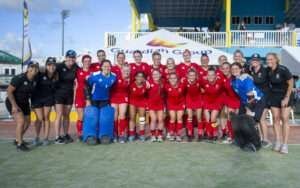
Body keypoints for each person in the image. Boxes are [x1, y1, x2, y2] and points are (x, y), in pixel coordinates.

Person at [231, 62, 265, 152]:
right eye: (233, 69)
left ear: (241, 69)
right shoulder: (234, 82)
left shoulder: (246, 78)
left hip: (256, 101)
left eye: (236, 69)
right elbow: (241, 95)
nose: (234, 70)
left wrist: (248, 108)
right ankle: (244, 141)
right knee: (240, 121)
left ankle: (256, 144)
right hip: (245, 102)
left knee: (250, 120)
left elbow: (251, 96)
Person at [6, 61, 39, 151]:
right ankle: (20, 145)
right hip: (13, 101)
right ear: (27, 68)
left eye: (36, 67)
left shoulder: (35, 80)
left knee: (28, 122)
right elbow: (9, 91)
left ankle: (17, 139)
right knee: (21, 121)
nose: (34, 69)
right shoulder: (19, 78)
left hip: (24, 103)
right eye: (32, 67)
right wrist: (14, 106)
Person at [266, 53, 293, 154]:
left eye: (271, 59)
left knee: (284, 119)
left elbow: (291, 83)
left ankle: (285, 144)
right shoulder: (268, 70)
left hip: (285, 95)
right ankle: (278, 141)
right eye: (267, 59)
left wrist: (286, 98)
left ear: (276, 60)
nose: (269, 61)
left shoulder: (283, 69)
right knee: (276, 119)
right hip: (274, 96)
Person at [84, 60, 117, 144]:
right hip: (94, 99)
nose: (107, 68)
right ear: (101, 67)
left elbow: (112, 88)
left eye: (108, 66)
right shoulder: (94, 75)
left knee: (104, 118)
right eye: (105, 66)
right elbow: (86, 86)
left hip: (105, 100)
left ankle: (104, 135)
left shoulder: (114, 77)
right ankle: (90, 136)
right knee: (92, 117)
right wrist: (88, 99)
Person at [54, 50, 79, 144]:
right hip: (59, 94)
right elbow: (49, 73)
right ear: (66, 57)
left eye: (73, 57)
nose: (71, 59)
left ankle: (65, 134)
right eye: (69, 57)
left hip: (69, 94)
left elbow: (82, 75)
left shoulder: (75, 67)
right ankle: (57, 137)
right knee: (59, 115)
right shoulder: (59, 66)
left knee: (66, 115)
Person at [31, 57, 57, 146]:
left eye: (53, 65)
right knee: (39, 118)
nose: (51, 67)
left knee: (46, 117)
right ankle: (36, 137)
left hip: (48, 98)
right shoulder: (40, 73)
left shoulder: (56, 75)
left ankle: (46, 138)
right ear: (46, 66)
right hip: (37, 98)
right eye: (49, 65)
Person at [249, 53, 272, 148]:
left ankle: (266, 140)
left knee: (261, 118)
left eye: (256, 60)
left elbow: (261, 81)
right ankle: (260, 139)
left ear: (260, 61)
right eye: (253, 60)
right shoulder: (251, 70)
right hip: (256, 99)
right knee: (257, 119)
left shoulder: (265, 70)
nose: (255, 61)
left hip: (265, 97)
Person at [202, 68, 224, 142]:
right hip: (207, 102)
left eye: (212, 75)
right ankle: (209, 134)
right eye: (209, 75)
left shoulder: (220, 81)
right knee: (208, 120)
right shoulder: (203, 82)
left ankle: (215, 133)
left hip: (216, 102)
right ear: (206, 76)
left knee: (213, 119)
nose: (210, 76)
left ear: (215, 76)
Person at [220, 62, 240, 143]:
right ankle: (231, 137)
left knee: (237, 120)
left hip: (239, 100)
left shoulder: (235, 77)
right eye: (223, 68)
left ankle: (237, 137)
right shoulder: (223, 78)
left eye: (227, 68)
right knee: (229, 119)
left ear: (230, 69)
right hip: (230, 101)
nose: (225, 70)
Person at [74, 55, 92, 141]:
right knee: (81, 116)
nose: (87, 62)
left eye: (89, 61)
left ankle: (88, 132)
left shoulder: (93, 72)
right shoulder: (77, 71)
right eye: (85, 61)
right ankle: (80, 133)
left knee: (88, 116)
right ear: (82, 62)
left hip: (89, 97)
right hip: (79, 96)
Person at [111, 65, 130, 143]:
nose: (126, 71)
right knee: (114, 116)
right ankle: (115, 134)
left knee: (122, 115)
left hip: (123, 97)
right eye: (124, 70)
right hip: (114, 97)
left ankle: (122, 134)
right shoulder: (115, 76)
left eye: (128, 70)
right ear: (121, 70)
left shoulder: (130, 78)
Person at [164, 73, 186, 142]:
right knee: (172, 118)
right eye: (171, 78)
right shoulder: (166, 86)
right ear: (169, 79)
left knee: (179, 119)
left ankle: (178, 135)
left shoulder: (182, 85)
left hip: (180, 103)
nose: (173, 79)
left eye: (174, 78)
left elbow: (186, 93)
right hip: (171, 104)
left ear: (177, 79)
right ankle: (172, 134)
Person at [128, 72, 148, 142]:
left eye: (141, 76)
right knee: (132, 117)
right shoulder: (131, 84)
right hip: (132, 102)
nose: (140, 78)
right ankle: (132, 134)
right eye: (138, 76)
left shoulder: (146, 85)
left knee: (142, 118)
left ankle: (142, 134)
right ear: (135, 77)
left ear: (143, 78)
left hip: (142, 102)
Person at [184, 69, 203, 141]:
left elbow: (204, 88)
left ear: (196, 76)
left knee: (199, 118)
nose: (192, 76)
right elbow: (182, 91)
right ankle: (189, 134)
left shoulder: (199, 82)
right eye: (190, 75)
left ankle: (200, 134)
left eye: (193, 75)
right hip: (189, 100)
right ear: (188, 76)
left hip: (198, 100)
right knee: (190, 117)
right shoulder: (185, 82)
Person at [148, 70, 165, 142]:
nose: (155, 76)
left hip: (160, 104)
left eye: (157, 74)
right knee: (154, 119)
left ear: (160, 75)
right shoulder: (148, 83)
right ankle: (153, 135)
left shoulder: (162, 83)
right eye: (154, 74)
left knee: (160, 119)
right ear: (152, 75)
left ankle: (160, 135)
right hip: (151, 104)